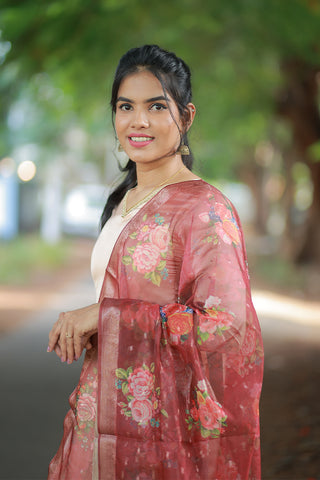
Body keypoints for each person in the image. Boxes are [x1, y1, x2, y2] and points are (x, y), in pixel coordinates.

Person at [47, 44, 263, 480]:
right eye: (125, 106)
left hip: (167, 432)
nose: (138, 121)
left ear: (186, 117)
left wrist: (105, 316)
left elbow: (227, 324)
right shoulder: (125, 200)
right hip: (102, 413)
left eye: (157, 106)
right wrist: (103, 327)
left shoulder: (204, 209)